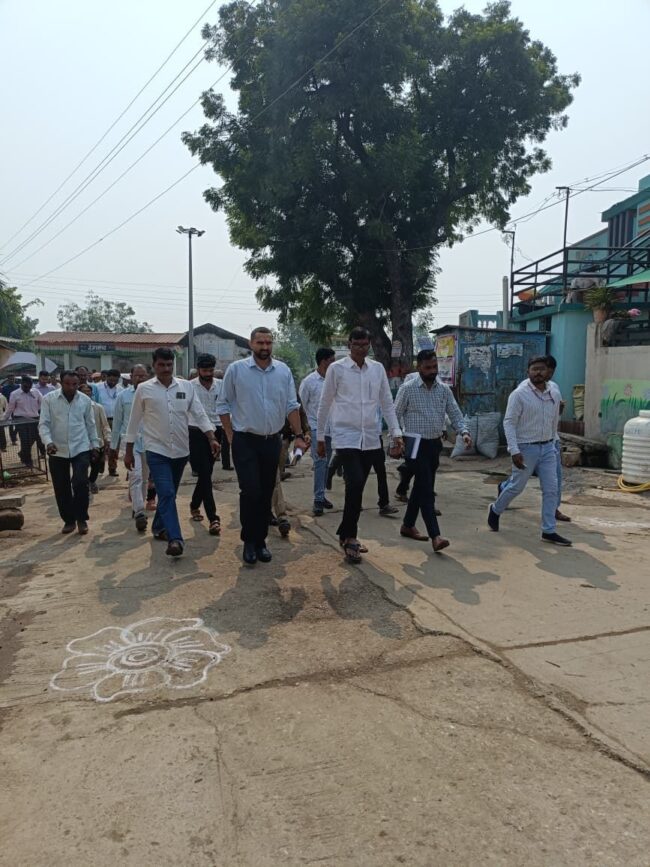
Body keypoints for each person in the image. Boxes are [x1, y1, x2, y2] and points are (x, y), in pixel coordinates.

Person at [217, 327, 306, 565]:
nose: (265, 347)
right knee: (250, 491)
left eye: (268, 342)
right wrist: (230, 436)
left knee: (266, 492)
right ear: (251, 344)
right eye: (260, 343)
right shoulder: (237, 370)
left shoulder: (283, 371)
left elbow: (291, 405)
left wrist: (299, 434)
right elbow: (223, 405)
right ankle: (249, 541)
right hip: (245, 440)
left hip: (272, 441)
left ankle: (261, 541)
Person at [316, 327, 403, 564]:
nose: (361, 349)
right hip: (345, 436)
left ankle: (345, 532)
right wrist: (320, 437)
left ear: (369, 345)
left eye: (365, 345)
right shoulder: (337, 369)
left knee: (357, 488)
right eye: (357, 345)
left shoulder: (377, 370)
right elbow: (325, 403)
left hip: (370, 437)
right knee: (354, 482)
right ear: (349, 345)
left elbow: (387, 402)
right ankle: (351, 537)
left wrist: (396, 432)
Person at [124, 347, 218, 557]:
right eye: (161, 365)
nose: (166, 369)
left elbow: (199, 413)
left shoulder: (186, 387)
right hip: (156, 450)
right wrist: (128, 451)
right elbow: (134, 421)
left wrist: (211, 437)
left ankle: (158, 527)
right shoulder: (144, 389)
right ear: (154, 365)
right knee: (166, 493)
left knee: (170, 493)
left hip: (181, 451)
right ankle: (175, 539)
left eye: (169, 365)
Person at [488, 356, 571, 546]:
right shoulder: (519, 394)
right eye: (534, 369)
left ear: (548, 371)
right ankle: (495, 509)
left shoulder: (554, 391)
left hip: (548, 447)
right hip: (526, 448)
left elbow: (554, 419)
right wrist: (514, 450)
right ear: (528, 371)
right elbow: (509, 423)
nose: (538, 372)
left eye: (542, 369)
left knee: (551, 489)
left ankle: (548, 530)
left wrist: (553, 443)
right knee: (516, 487)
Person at [394, 350, 471, 552]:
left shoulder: (443, 389)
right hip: (414, 443)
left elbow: (454, 413)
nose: (432, 371)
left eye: (435, 367)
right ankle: (435, 535)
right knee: (426, 489)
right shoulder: (408, 389)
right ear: (419, 367)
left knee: (421, 486)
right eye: (428, 367)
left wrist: (463, 432)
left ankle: (408, 525)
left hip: (434, 444)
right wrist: (396, 438)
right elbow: (394, 414)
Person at [39, 370, 99, 535]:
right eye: (67, 384)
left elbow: (90, 424)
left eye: (74, 384)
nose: (71, 387)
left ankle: (81, 519)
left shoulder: (85, 400)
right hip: (57, 448)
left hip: (81, 447)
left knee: (80, 482)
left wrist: (95, 445)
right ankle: (69, 520)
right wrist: (48, 442)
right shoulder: (49, 399)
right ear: (61, 382)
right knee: (61, 486)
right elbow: (43, 424)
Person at [110, 364, 150, 532]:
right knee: (136, 476)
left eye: (143, 375)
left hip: (149, 442)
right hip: (130, 444)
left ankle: (138, 504)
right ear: (131, 377)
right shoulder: (123, 396)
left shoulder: (152, 394)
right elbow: (117, 422)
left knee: (145, 478)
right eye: (137, 376)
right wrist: (113, 447)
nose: (140, 378)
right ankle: (139, 511)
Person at [299, 348, 336, 516]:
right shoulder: (309, 382)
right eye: (332, 361)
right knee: (320, 461)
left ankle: (322, 493)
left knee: (327, 462)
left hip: (332, 428)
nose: (334, 364)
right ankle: (318, 499)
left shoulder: (335, 380)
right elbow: (302, 406)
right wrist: (304, 430)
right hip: (315, 427)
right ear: (323, 362)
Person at [189, 353, 222, 536]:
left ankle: (195, 504)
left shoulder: (221, 385)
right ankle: (213, 518)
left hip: (217, 431)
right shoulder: (190, 387)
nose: (208, 374)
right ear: (198, 369)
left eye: (211, 370)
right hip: (196, 432)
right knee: (204, 473)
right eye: (204, 370)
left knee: (206, 473)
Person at [543, 355, 571, 523]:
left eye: (548, 370)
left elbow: (556, 414)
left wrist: (560, 409)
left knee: (556, 477)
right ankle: (504, 489)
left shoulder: (554, 388)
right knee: (520, 479)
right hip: (531, 441)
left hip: (552, 440)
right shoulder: (524, 390)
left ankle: (554, 508)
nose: (544, 373)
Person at [79, 383, 111, 494]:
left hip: (97, 442)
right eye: (83, 391)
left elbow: (105, 425)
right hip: (81, 443)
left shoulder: (98, 407)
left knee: (95, 466)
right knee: (81, 466)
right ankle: (83, 486)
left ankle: (92, 481)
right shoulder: (74, 408)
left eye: (88, 391)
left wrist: (107, 438)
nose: (86, 393)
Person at [6, 375, 43, 467]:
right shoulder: (15, 394)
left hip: (34, 419)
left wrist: (39, 413)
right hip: (20, 420)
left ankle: (22, 453)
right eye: (25, 386)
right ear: (22, 384)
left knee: (35, 437)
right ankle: (27, 460)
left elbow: (42, 404)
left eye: (29, 387)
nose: (27, 388)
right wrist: (4, 419)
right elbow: (10, 409)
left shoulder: (36, 392)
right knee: (25, 440)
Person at [95, 368, 123, 476]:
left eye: (115, 380)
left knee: (115, 445)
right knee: (101, 443)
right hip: (102, 420)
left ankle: (112, 468)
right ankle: (100, 464)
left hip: (116, 420)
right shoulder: (98, 387)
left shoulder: (120, 389)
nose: (113, 382)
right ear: (106, 377)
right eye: (111, 380)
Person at [214, 369, 232, 470]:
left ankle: (218, 457)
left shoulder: (222, 386)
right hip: (222, 420)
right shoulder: (225, 386)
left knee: (221, 442)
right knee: (225, 444)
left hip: (219, 420)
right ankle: (226, 464)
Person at [1, 374, 19, 447]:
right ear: (8, 380)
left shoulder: (17, 387)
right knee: (10, 425)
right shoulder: (4, 388)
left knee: (18, 424)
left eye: (13, 379)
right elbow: (3, 399)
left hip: (17, 408)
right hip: (8, 409)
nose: (12, 380)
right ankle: (13, 440)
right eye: (10, 379)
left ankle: (14, 435)